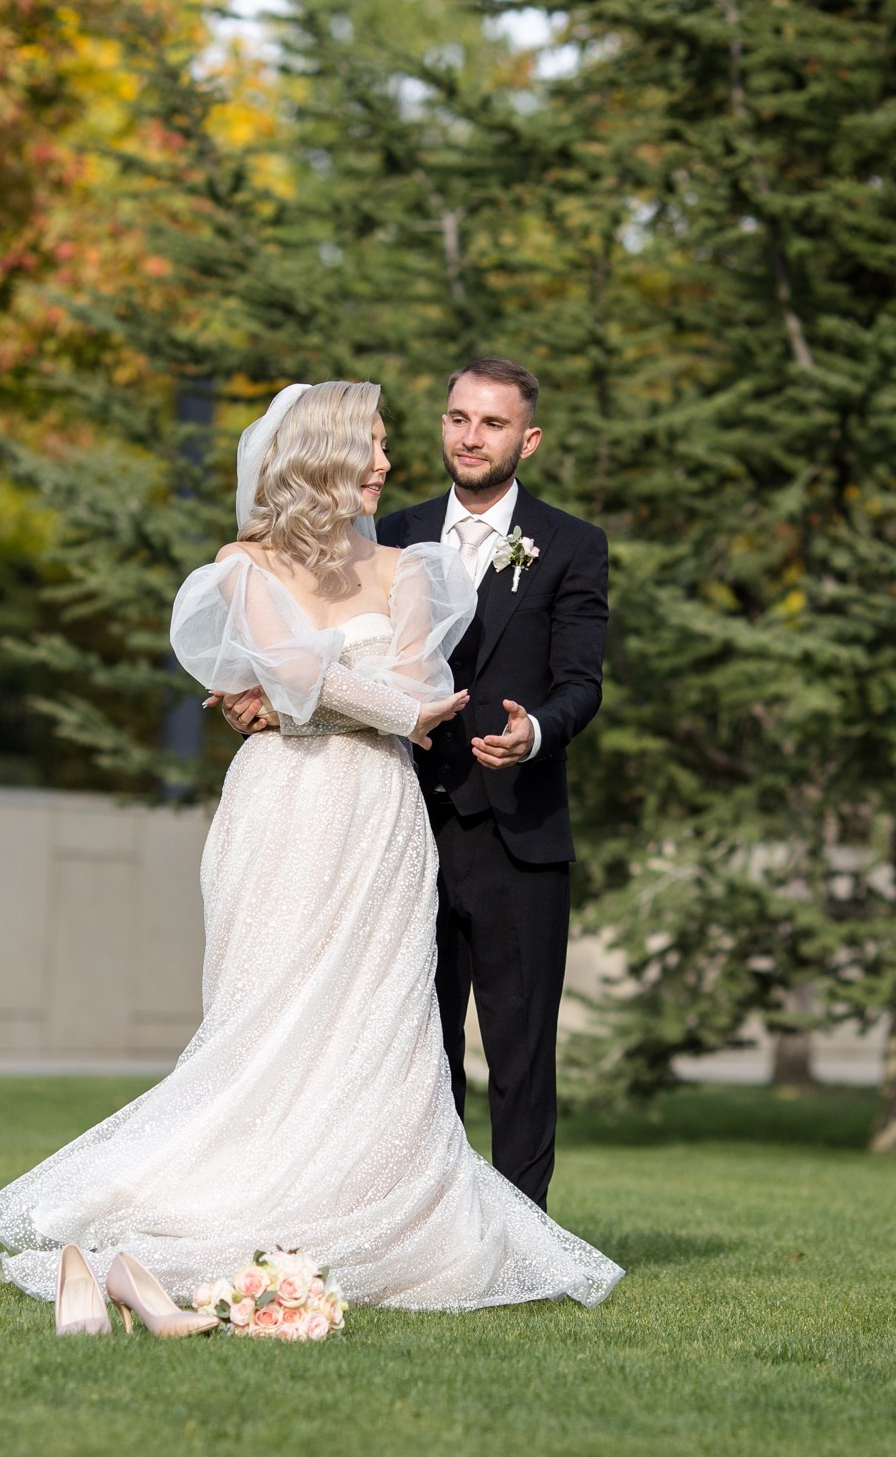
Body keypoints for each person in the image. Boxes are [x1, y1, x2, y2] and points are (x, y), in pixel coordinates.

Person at [0, 380, 621, 1321]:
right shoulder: (264, 563)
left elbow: (412, 688)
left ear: (528, 435)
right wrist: (310, 689)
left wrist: (296, 691)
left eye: (482, 422)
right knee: (265, 1016)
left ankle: (409, 1223)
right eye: (384, 441)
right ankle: (167, 1230)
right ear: (327, 457)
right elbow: (357, 685)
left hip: (389, 813)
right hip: (285, 811)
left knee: (387, 1030)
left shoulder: (412, 565)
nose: (398, 459)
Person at [222, 358, 606, 1210]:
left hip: (514, 829)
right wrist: (270, 704)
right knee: (405, 1046)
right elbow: (311, 653)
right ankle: (420, 1216)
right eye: (457, 417)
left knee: (518, 1049)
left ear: (527, 439)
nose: (469, 436)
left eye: (492, 423)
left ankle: (520, 1230)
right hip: (394, 823)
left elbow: (582, 679)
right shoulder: (381, 531)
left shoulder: (572, 544)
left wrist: (536, 731)